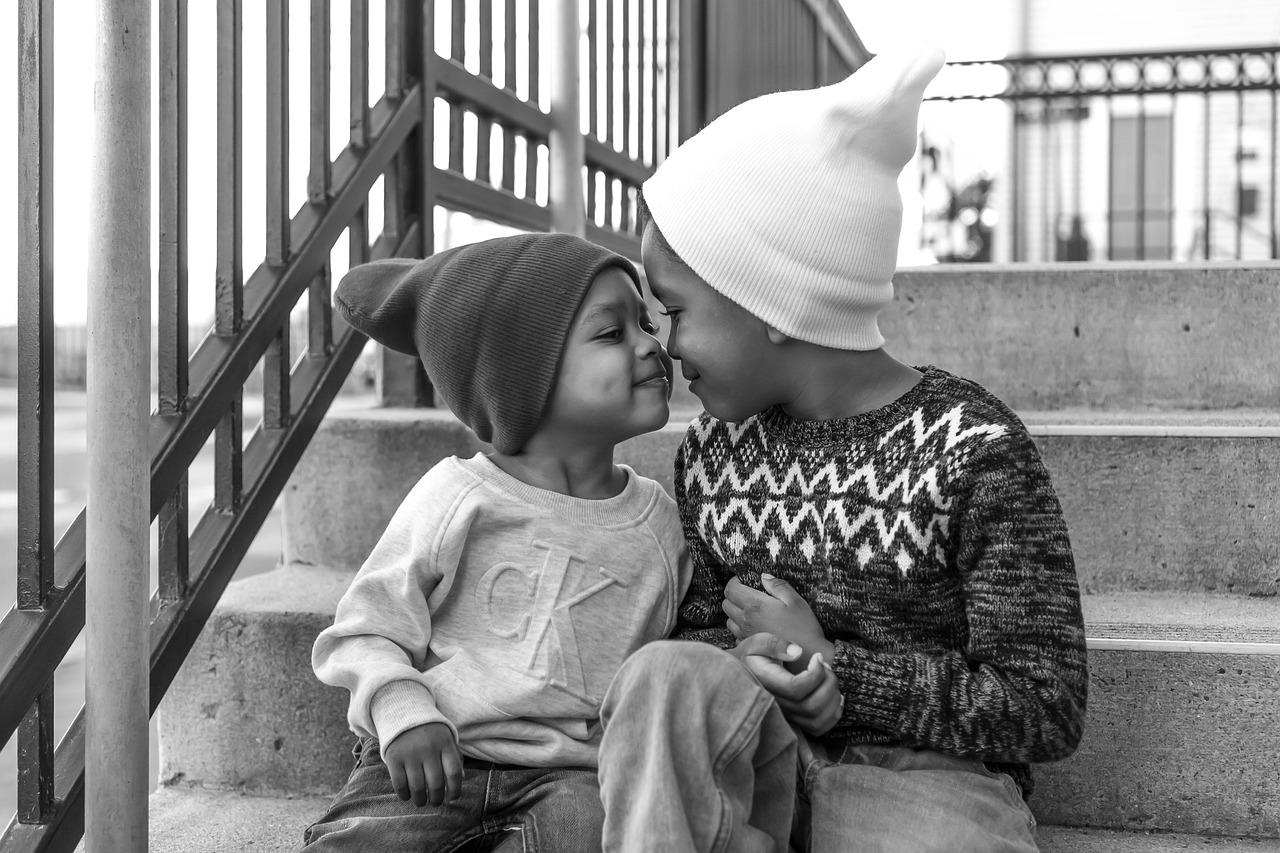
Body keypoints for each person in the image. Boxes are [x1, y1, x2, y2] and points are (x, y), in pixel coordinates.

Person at [637, 41, 1089, 853]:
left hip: (922, 776)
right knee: (658, 677)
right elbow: (697, 634)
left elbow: (1043, 700)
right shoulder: (712, 449)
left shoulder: (970, 449)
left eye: (674, 308)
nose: (663, 342)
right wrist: (752, 659)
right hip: (755, 744)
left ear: (771, 298)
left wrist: (839, 675)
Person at [302, 232, 805, 853]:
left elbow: (680, 653)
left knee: (592, 832)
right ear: (522, 376)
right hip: (432, 761)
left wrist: (749, 655)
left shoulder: (662, 523)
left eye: (646, 324)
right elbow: (366, 629)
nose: (653, 345)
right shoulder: (458, 497)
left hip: (572, 778)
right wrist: (403, 711)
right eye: (610, 334)